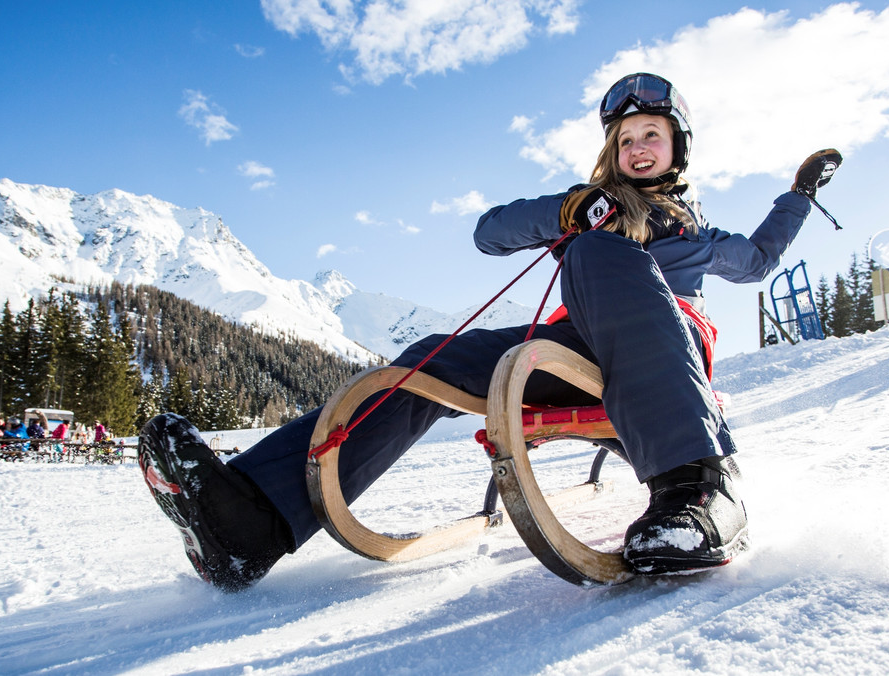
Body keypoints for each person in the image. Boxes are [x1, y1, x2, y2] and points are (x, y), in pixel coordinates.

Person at [138, 72, 840, 591]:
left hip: (665, 365)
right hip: (574, 352)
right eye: (625, 139)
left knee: (601, 254)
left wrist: (799, 194)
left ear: (676, 144)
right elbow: (488, 233)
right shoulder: (588, 210)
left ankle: (699, 488)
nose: (638, 147)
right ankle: (252, 522)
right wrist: (572, 210)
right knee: (425, 363)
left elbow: (759, 259)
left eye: (651, 133)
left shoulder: (694, 234)